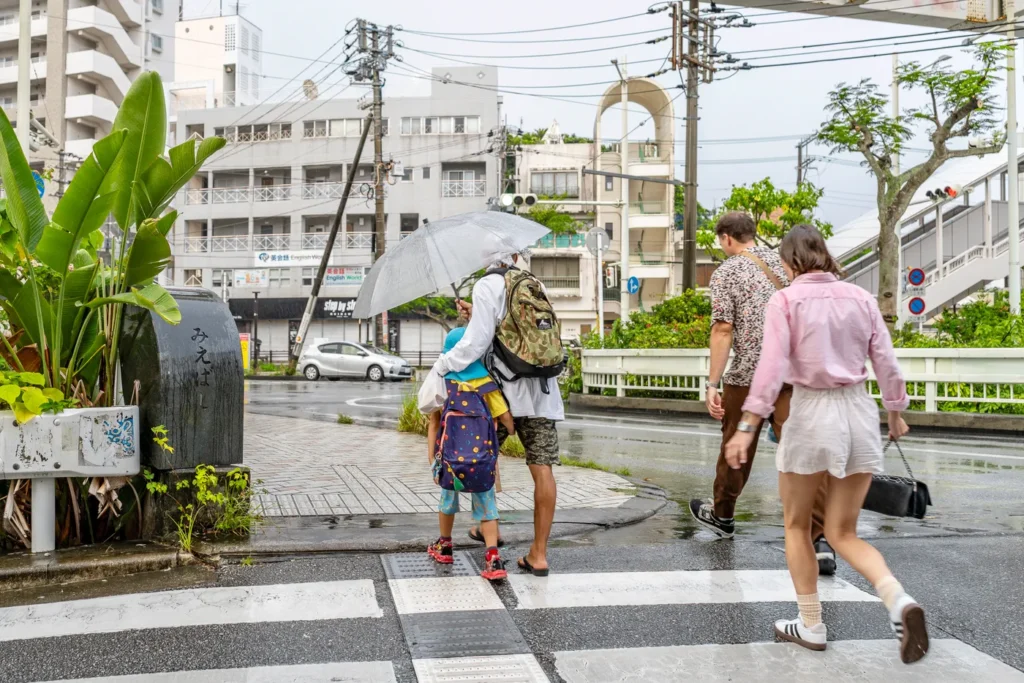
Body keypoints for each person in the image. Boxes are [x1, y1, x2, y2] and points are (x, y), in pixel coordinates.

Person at [724, 225, 927, 663]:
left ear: (789, 262)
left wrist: (747, 424)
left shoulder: (785, 300)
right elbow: (886, 361)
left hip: (811, 412)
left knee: (798, 526)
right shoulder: (861, 298)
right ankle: (898, 600)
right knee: (842, 531)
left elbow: (772, 365)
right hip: (858, 413)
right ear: (824, 256)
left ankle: (811, 624)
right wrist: (894, 412)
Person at [689, 212, 835, 576]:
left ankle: (722, 515)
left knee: (737, 447)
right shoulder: (785, 262)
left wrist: (712, 383)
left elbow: (723, 330)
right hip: (792, 373)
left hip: (749, 374)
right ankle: (820, 541)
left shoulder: (725, 273)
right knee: (803, 451)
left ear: (725, 239)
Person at [433, 252, 564, 577]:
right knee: (542, 467)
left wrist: (443, 365)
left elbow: (476, 343)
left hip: (501, 395)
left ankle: (491, 531)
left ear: (486, 256)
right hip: (543, 393)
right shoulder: (532, 283)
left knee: (479, 457)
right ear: (515, 256)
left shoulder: (487, 284)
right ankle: (539, 554)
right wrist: (478, 312)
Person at [424, 327, 514, 582]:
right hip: (482, 460)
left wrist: (433, 460)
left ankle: (445, 546)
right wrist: (510, 429)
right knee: (487, 507)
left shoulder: (442, 381)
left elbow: (433, 423)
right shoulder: (486, 383)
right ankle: (493, 558)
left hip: (450, 459)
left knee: (447, 500)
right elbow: (506, 419)